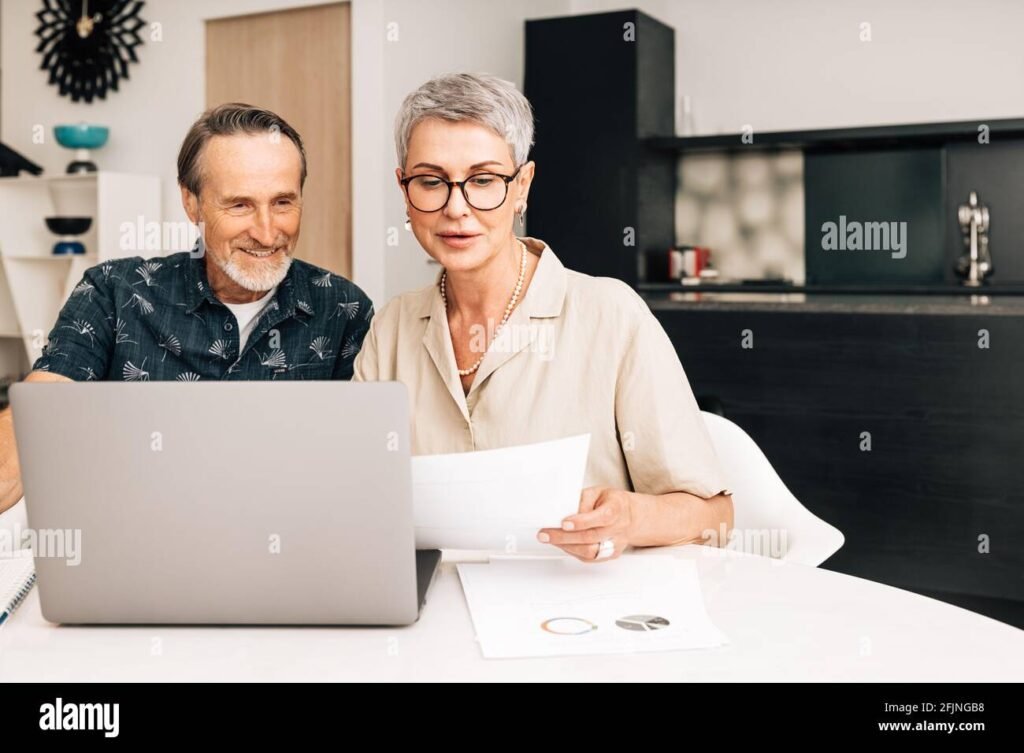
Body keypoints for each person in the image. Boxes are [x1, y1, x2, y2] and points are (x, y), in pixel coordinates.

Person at [354, 73, 732, 563]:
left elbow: (715, 518)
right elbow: (360, 497)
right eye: (431, 181)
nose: (456, 207)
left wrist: (631, 519)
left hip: (575, 602)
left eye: (483, 180)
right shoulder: (390, 328)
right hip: (432, 602)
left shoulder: (610, 315)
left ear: (522, 186)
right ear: (404, 189)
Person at [0, 103, 373, 514]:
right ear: (192, 203)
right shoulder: (113, 293)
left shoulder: (344, 309)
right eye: (240, 205)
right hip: (141, 539)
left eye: (283, 202)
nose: (268, 233)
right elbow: (39, 410)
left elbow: (362, 467)